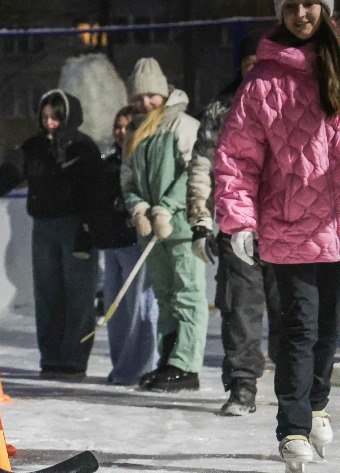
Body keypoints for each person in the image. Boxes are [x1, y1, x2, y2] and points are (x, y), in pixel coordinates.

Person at [215, 0, 340, 473]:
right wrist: (238, 221)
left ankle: (317, 405)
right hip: (287, 225)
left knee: (329, 324)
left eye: (310, 4)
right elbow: (236, 158)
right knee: (298, 329)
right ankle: (292, 429)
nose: (301, 13)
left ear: (325, 9)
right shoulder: (263, 81)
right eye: (291, 5)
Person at [0, 89, 100, 381]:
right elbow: (11, 170)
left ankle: (74, 358)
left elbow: (95, 190)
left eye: (56, 117)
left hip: (77, 228)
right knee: (47, 293)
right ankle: (51, 356)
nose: (50, 123)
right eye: (44, 117)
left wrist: (89, 228)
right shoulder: (33, 147)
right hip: (44, 228)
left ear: (69, 117)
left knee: (79, 294)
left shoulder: (84, 148)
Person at [187, 31, 282, 416]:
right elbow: (202, 167)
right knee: (239, 307)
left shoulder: (289, 103)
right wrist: (199, 218)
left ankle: (298, 385)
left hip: (286, 224)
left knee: (290, 308)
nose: (255, 70)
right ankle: (242, 385)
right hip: (236, 223)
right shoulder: (222, 108)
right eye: (248, 63)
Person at [122, 58, 206, 393]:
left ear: (164, 92)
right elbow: (127, 178)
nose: (145, 103)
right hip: (151, 230)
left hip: (179, 226)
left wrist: (166, 209)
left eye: (151, 96)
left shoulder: (183, 124)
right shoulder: (136, 131)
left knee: (187, 294)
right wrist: (139, 209)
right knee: (164, 295)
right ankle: (168, 358)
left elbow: (193, 172)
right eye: (138, 97)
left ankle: (186, 365)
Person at [94, 106, 159, 385]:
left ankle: (144, 366)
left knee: (140, 308)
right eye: (117, 126)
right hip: (112, 244)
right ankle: (123, 366)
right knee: (115, 309)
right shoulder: (108, 163)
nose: (121, 132)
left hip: (136, 242)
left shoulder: (142, 159)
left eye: (127, 126)